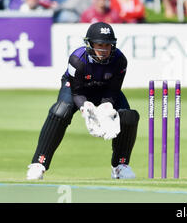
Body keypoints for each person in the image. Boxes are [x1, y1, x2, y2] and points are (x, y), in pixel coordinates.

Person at [27, 22, 140, 180]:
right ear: (90, 44)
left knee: (129, 117)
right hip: (77, 89)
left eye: (108, 45)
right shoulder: (77, 59)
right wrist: (85, 107)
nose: (104, 50)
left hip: (105, 90)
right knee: (60, 111)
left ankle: (120, 166)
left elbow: (113, 90)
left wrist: (107, 106)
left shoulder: (120, 60)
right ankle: (38, 164)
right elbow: (77, 92)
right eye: (99, 45)